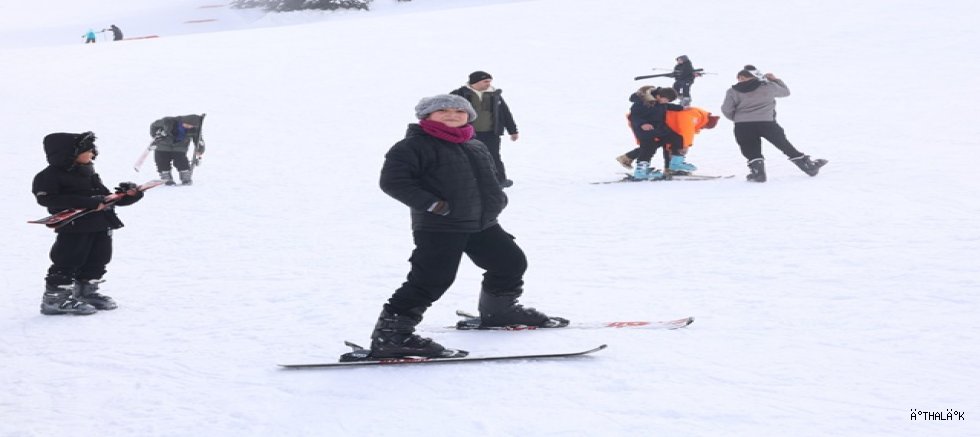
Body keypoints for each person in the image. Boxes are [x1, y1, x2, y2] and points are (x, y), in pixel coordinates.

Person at [368, 94, 567, 359]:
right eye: (443, 111)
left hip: (482, 222)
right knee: (431, 280)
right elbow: (393, 182)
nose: (452, 115)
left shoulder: (474, 145)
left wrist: (497, 200)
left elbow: (491, 178)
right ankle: (392, 335)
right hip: (440, 226)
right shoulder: (412, 146)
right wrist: (434, 205)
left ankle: (499, 311)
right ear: (426, 116)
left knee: (510, 263)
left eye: (459, 111)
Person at [32, 132, 145, 315]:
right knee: (69, 258)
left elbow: (106, 198)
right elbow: (48, 199)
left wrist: (129, 195)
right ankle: (55, 299)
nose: (93, 154)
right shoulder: (49, 175)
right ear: (69, 153)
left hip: (100, 224)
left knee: (99, 258)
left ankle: (86, 292)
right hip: (75, 227)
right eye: (88, 150)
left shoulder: (89, 172)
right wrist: (88, 202)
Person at [721, 69, 827, 182]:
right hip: (767, 123)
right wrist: (775, 79)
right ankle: (808, 166)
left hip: (743, 125)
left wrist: (738, 119)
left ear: (740, 77)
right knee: (784, 145)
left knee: (750, 148)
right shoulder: (769, 87)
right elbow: (786, 92)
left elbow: (726, 109)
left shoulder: (732, 91)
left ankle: (758, 174)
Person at [450, 71, 519, 188]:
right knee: (467, 157)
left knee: (494, 157)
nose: (489, 83)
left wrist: (513, 130)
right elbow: (447, 113)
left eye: (490, 81)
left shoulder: (495, 94)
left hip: (491, 133)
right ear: (475, 82)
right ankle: (469, 181)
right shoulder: (459, 94)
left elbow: (505, 113)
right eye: (485, 81)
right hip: (468, 134)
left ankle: (500, 180)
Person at [617, 86, 695, 180]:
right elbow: (634, 116)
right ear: (658, 96)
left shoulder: (660, 101)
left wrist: (681, 108)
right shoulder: (642, 102)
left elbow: (667, 106)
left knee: (677, 138)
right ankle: (640, 172)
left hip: (659, 127)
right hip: (645, 129)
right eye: (666, 100)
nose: (666, 102)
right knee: (648, 147)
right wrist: (643, 124)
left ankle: (675, 163)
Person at [149, 114, 205, 185]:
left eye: (191, 126)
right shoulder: (168, 121)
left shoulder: (194, 129)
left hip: (180, 147)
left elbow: (198, 139)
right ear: (183, 121)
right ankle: (166, 178)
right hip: (163, 145)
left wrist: (200, 149)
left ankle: (185, 176)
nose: (189, 127)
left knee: (181, 161)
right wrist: (156, 134)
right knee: (162, 161)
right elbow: (153, 126)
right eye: (187, 124)